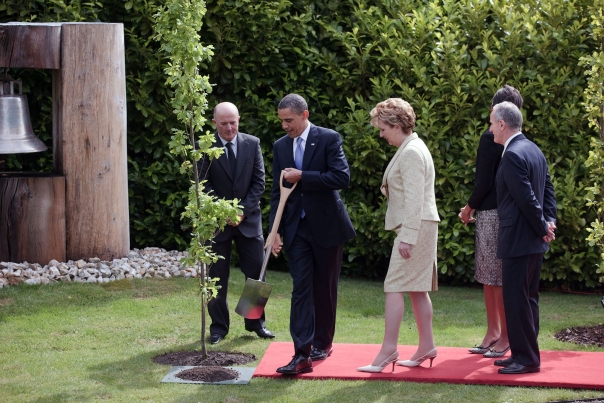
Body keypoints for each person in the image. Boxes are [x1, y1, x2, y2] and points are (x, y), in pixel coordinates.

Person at [268, 94, 356, 375]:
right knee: (300, 289)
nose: (284, 126)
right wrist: (275, 231)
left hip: (328, 228)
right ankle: (301, 354)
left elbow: (341, 178)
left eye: (289, 120)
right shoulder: (280, 147)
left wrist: (304, 175)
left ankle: (323, 343)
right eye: (281, 120)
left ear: (304, 115)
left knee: (325, 288)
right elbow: (275, 194)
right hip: (295, 229)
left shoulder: (328, 138)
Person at [357, 98, 440, 373]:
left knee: (394, 286)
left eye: (382, 129)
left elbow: (415, 198)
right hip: (419, 225)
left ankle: (388, 350)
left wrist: (408, 236)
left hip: (415, 226)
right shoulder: (411, 147)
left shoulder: (412, 151)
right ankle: (426, 345)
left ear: (395, 124)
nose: (380, 134)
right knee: (417, 289)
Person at [198, 102, 275, 345]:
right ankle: (219, 328)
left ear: (239, 120)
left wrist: (241, 211)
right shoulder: (205, 147)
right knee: (216, 277)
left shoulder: (252, 144)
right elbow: (203, 185)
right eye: (224, 124)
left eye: (233, 122)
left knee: (256, 274)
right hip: (216, 224)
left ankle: (255, 322)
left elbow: (259, 183)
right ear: (214, 124)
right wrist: (224, 212)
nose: (230, 127)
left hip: (249, 221)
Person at [489, 101, 556, 374]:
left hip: (519, 238)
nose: (490, 128)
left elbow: (527, 199)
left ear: (503, 124)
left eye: (492, 123)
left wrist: (543, 225)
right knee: (527, 299)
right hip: (532, 240)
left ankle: (526, 358)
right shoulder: (533, 149)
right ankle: (522, 353)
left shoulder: (514, 154)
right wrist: (549, 221)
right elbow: (548, 190)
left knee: (518, 300)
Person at [459, 85, 523, 359]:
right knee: (491, 277)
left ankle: (503, 336)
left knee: (495, 278)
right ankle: (493, 332)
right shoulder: (520, 139)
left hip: (491, 214)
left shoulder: (491, 138)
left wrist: (468, 208)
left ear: (498, 113)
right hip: (503, 214)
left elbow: (483, 182)